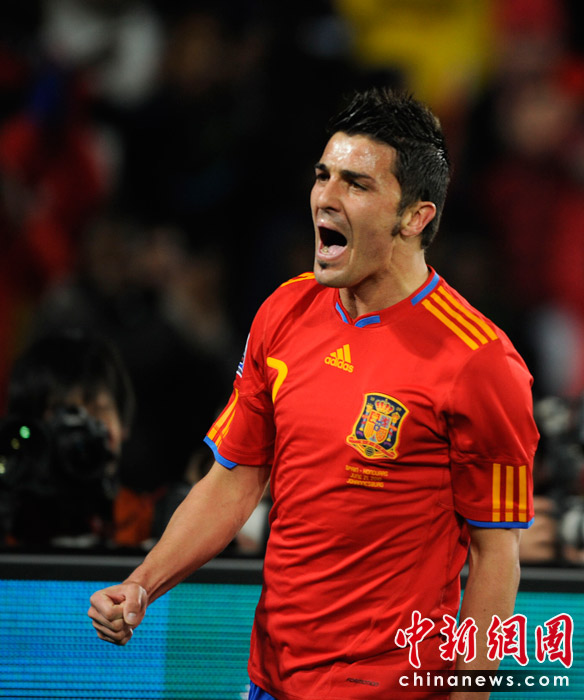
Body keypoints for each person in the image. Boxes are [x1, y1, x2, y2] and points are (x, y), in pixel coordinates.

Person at [88, 88, 539, 700]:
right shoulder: (285, 311)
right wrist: (143, 583)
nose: (325, 197)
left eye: (357, 184)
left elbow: (495, 556)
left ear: (415, 217)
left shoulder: (480, 362)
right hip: (269, 682)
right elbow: (234, 478)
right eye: (323, 175)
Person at [0, 329, 133, 547]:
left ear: (123, 426)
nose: (79, 435)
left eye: (98, 411)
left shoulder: (155, 525)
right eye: (61, 413)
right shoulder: (7, 525)